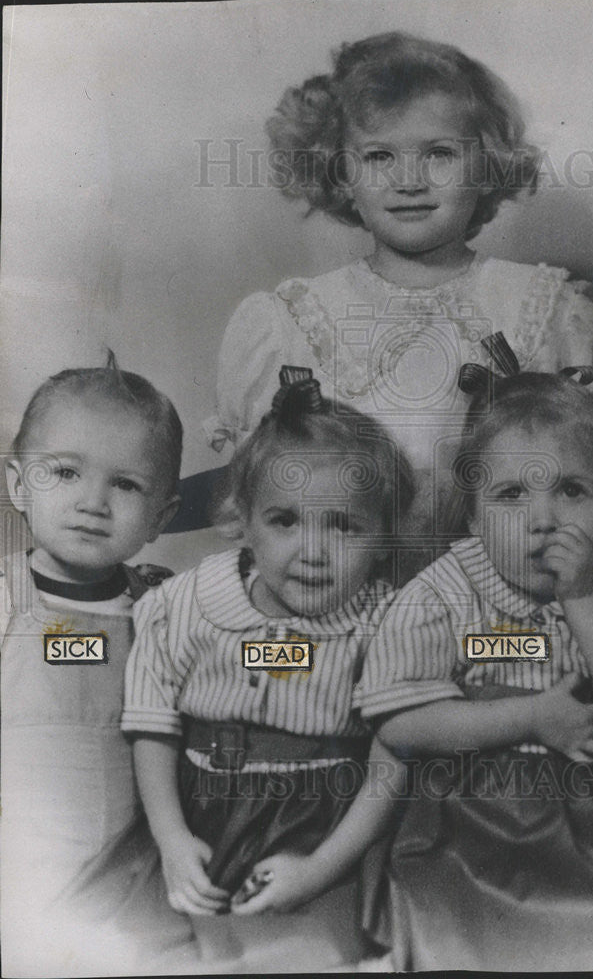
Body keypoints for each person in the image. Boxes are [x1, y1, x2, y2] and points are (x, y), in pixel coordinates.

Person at [198, 31, 593, 574]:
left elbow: (590, 482)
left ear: (485, 166)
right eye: (378, 156)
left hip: (497, 612)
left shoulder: (542, 308)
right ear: (340, 174)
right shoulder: (290, 322)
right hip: (332, 607)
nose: (409, 180)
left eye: (439, 153)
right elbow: (260, 503)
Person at [354, 338, 593, 970]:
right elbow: (399, 722)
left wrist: (581, 597)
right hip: (466, 827)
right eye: (511, 496)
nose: (543, 519)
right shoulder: (442, 594)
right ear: (475, 517)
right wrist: (529, 717)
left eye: (572, 490)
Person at [122, 367, 414, 972]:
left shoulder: (388, 624)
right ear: (244, 521)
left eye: (345, 526)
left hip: (325, 828)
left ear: (385, 536)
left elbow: (393, 766)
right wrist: (172, 841)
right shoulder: (186, 604)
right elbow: (151, 724)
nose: (312, 550)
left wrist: (322, 869)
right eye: (286, 520)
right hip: (195, 814)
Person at [0, 354, 188, 973]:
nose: (93, 502)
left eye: (125, 484)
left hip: (131, 864)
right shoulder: (6, 598)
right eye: (65, 472)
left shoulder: (161, 604)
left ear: (161, 517)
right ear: (18, 484)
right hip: (21, 858)